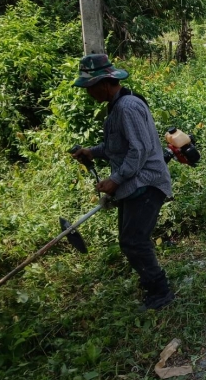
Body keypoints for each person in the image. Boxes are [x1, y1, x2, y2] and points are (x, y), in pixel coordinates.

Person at [70, 54, 175, 311]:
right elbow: (117, 147)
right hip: (134, 184)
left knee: (134, 241)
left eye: (90, 87)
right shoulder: (116, 107)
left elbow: (139, 150)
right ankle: (152, 285)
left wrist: (115, 180)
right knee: (129, 240)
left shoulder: (127, 107)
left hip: (146, 183)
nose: (88, 93)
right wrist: (91, 152)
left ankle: (160, 292)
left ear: (105, 84)